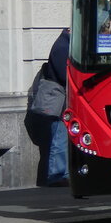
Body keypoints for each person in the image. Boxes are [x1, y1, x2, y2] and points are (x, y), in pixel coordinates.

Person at [24, 28, 70, 187]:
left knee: (62, 138)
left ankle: (64, 174)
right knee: (59, 137)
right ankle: (56, 175)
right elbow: (64, 75)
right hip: (57, 103)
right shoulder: (63, 46)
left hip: (62, 102)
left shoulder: (65, 44)